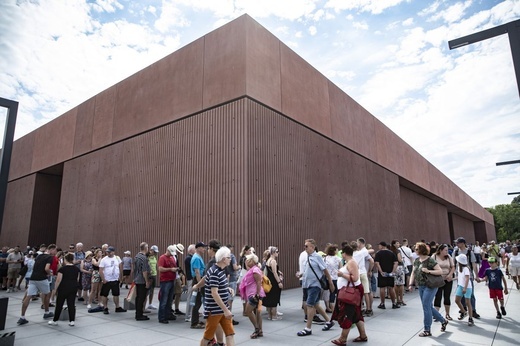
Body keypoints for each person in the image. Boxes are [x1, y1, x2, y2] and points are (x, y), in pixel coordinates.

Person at [408, 242, 448, 337]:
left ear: (421, 250)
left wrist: (428, 271)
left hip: (430, 286)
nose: (415, 250)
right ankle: (443, 321)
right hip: (421, 286)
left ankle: (427, 330)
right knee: (428, 306)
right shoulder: (417, 260)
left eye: (417, 249)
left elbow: (440, 271)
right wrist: (410, 284)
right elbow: (413, 273)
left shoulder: (430, 260)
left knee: (426, 306)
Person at [330, 245, 368, 346]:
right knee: (356, 314)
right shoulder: (349, 262)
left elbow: (355, 278)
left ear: (344, 253)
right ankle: (363, 335)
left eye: (342, 253)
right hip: (350, 292)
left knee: (347, 314)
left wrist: (342, 275)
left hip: (350, 293)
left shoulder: (351, 263)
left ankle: (342, 339)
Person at [296, 239, 335, 337]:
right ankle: (329, 321)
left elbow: (325, 270)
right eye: (304, 246)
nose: (304, 247)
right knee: (316, 304)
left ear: (312, 247)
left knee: (310, 305)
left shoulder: (317, 256)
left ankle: (308, 328)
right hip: (307, 284)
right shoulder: (307, 257)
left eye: (306, 246)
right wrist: (301, 275)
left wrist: (330, 283)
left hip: (314, 285)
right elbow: (307, 270)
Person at [200, 246, 235, 346]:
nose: (230, 259)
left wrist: (227, 288)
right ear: (224, 259)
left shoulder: (221, 270)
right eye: (229, 257)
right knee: (207, 337)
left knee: (230, 334)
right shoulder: (215, 272)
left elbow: (218, 286)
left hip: (222, 310)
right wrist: (226, 310)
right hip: (215, 310)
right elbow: (214, 293)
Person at [18, 244, 57, 325]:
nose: (56, 252)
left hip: (33, 277)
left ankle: (22, 317)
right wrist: (50, 273)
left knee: (28, 296)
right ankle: (46, 312)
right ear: (51, 250)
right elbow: (46, 268)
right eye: (55, 250)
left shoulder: (39, 256)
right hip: (42, 278)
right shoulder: (49, 257)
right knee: (47, 294)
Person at [48, 253, 80, 326]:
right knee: (71, 304)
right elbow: (77, 279)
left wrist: (55, 289)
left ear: (65, 260)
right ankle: (72, 321)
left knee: (59, 304)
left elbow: (58, 280)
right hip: (73, 287)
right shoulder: (76, 269)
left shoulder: (62, 269)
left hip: (63, 287)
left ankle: (55, 320)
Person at [239, 253, 265, 339]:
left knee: (248, 311)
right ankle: (260, 330)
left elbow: (258, 282)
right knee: (257, 312)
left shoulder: (255, 270)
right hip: (255, 293)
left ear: (253, 261)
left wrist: (257, 294)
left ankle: (256, 329)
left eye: (248, 260)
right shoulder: (253, 269)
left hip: (254, 294)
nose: (246, 262)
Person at [453, 237, 480, 318]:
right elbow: (453, 263)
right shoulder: (456, 252)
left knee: (470, 294)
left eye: (458, 243)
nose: (456, 244)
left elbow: (474, 264)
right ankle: (463, 309)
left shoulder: (469, 252)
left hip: (468, 276)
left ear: (463, 243)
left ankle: (473, 310)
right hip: (460, 276)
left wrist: (476, 276)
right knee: (460, 294)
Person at [99, 246, 126, 314]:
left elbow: (120, 267)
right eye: (107, 252)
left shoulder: (117, 258)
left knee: (116, 294)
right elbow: (101, 270)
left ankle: (117, 307)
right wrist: (103, 279)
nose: (108, 253)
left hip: (115, 279)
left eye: (110, 252)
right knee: (105, 294)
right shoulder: (104, 259)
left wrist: (120, 277)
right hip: (107, 280)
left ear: (113, 252)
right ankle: (105, 307)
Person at [157, 245, 180, 324]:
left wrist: (176, 269)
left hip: (171, 280)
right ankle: (162, 317)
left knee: (169, 299)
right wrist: (171, 269)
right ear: (168, 250)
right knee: (164, 300)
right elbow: (160, 268)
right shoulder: (162, 258)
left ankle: (167, 314)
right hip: (165, 281)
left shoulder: (171, 258)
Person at [432, 244, 455, 320]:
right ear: (440, 250)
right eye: (445, 250)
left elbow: (453, 267)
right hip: (438, 280)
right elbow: (430, 266)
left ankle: (447, 314)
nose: (447, 251)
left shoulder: (448, 257)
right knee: (437, 297)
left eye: (447, 250)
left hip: (447, 279)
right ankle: (436, 314)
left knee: (447, 296)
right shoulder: (434, 256)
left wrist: (450, 274)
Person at [374, 241, 399, 309]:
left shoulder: (378, 253)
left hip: (382, 273)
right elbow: (396, 263)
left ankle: (382, 304)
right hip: (390, 272)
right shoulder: (391, 253)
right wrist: (393, 271)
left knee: (382, 288)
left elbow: (377, 263)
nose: (378, 247)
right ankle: (394, 303)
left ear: (382, 246)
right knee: (391, 288)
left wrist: (381, 271)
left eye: (379, 245)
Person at [190, 242, 207, 329]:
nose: (204, 249)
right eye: (203, 247)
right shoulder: (196, 258)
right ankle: (194, 323)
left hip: (198, 280)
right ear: (198, 248)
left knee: (198, 302)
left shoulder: (198, 257)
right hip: (197, 280)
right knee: (196, 302)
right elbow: (197, 272)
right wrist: (199, 285)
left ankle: (196, 320)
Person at [263, 246, 283, 320]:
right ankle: (274, 316)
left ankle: (269, 315)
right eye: (277, 252)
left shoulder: (268, 260)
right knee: (274, 298)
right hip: (274, 281)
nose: (278, 253)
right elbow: (274, 272)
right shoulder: (273, 261)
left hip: (269, 280)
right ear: (273, 253)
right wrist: (279, 282)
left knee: (269, 297)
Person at [454, 253, 474, 326]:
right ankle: (464, 312)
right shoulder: (459, 268)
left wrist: (465, 288)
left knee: (468, 302)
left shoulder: (466, 269)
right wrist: (452, 279)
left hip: (467, 287)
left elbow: (467, 278)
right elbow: (459, 277)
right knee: (457, 300)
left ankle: (470, 318)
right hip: (460, 286)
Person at [134, 242, 151, 321]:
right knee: (142, 297)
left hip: (137, 278)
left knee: (138, 297)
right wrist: (147, 281)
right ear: (145, 248)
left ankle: (138, 313)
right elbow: (144, 270)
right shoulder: (144, 258)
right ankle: (139, 315)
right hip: (142, 280)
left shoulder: (137, 256)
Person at [324, 244, 341, 313]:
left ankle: (329, 307)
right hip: (336, 278)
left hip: (328, 278)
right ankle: (336, 309)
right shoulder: (338, 259)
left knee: (330, 293)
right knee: (336, 294)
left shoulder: (325, 258)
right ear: (334, 251)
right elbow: (341, 268)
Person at [184, 244, 195, 322]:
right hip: (191, 279)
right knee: (190, 297)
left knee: (192, 297)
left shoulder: (190, 258)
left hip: (191, 279)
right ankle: (188, 315)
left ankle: (191, 313)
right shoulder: (189, 258)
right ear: (191, 250)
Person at [146, 245, 159, 310]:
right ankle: (143, 304)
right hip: (149, 275)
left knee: (152, 289)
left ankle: (150, 303)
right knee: (147, 290)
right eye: (154, 251)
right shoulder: (147, 257)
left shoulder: (155, 257)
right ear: (151, 250)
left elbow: (156, 265)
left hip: (154, 274)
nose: (155, 253)